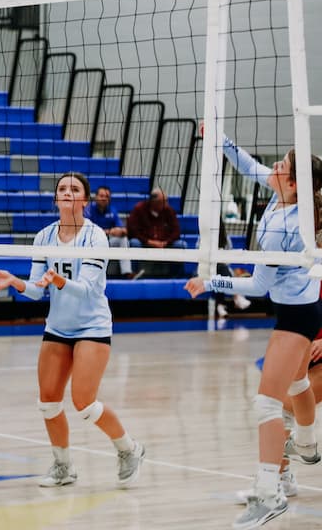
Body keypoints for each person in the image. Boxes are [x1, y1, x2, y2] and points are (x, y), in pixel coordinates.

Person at [186, 134, 322, 528]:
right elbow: (249, 167)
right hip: (301, 310)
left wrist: (211, 281)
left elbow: (258, 288)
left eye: (281, 165)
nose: (273, 168)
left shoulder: (288, 225)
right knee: (296, 386)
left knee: (266, 403)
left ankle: (269, 494)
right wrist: (221, 141)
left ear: (294, 183)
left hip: (296, 318)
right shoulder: (288, 197)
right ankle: (304, 452)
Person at [0, 171, 146, 489]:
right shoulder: (44, 237)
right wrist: (16, 282)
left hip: (92, 325)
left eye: (74, 189)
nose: (68, 193)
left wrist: (57, 280)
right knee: (48, 401)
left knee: (84, 403)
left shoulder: (95, 236)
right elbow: (34, 290)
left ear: (84, 200)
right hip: (58, 326)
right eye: (62, 189)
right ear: (56, 199)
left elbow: (85, 290)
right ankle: (63, 466)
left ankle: (129, 449)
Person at [127, 187, 187, 275]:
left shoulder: (169, 211)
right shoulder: (139, 209)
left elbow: (176, 232)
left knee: (181, 244)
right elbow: (132, 231)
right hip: (145, 242)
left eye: (167, 201)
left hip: (164, 243)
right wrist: (149, 241)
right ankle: (133, 274)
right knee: (134, 242)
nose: (166, 204)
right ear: (153, 202)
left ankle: (176, 276)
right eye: (163, 202)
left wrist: (166, 242)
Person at [84, 185, 133, 278]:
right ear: (96, 197)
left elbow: (123, 229)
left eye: (107, 197)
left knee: (123, 239)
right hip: (91, 242)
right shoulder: (88, 210)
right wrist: (109, 231)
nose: (104, 199)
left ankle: (127, 273)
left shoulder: (112, 210)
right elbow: (87, 230)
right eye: (101, 196)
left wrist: (121, 231)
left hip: (107, 241)